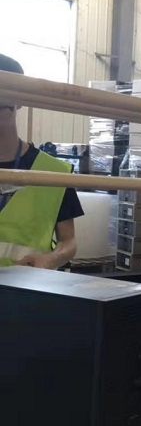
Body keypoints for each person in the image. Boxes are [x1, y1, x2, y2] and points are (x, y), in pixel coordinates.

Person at [0, 54, 83, 268]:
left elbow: (69, 241)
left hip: (27, 285)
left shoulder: (53, 172)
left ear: (19, 100)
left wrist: (50, 259)